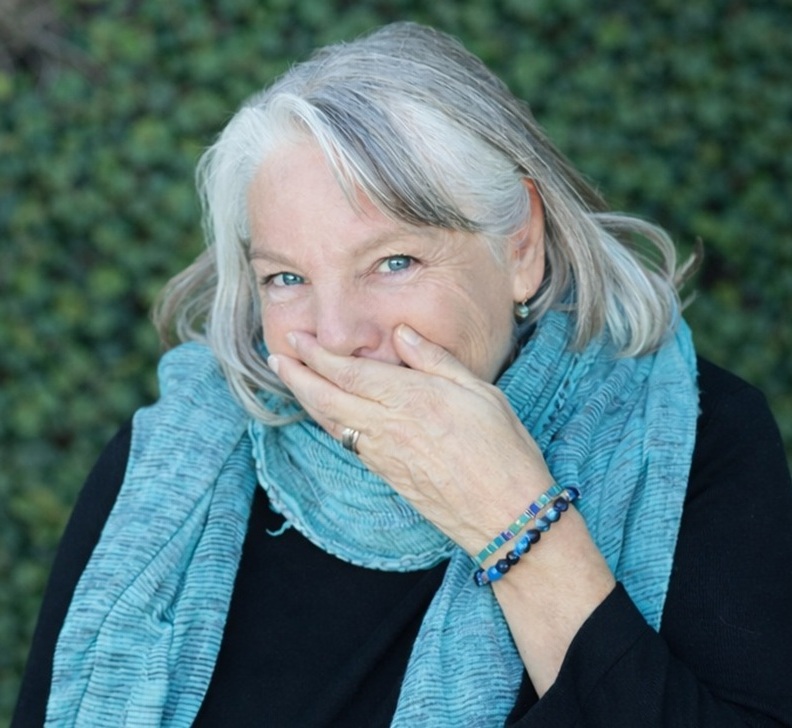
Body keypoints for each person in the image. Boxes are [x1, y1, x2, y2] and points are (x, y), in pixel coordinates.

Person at [13, 21, 792, 728]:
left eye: (394, 262)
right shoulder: (164, 464)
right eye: (287, 278)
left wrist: (509, 513)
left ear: (520, 245)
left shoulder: (699, 440)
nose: (337, 335)